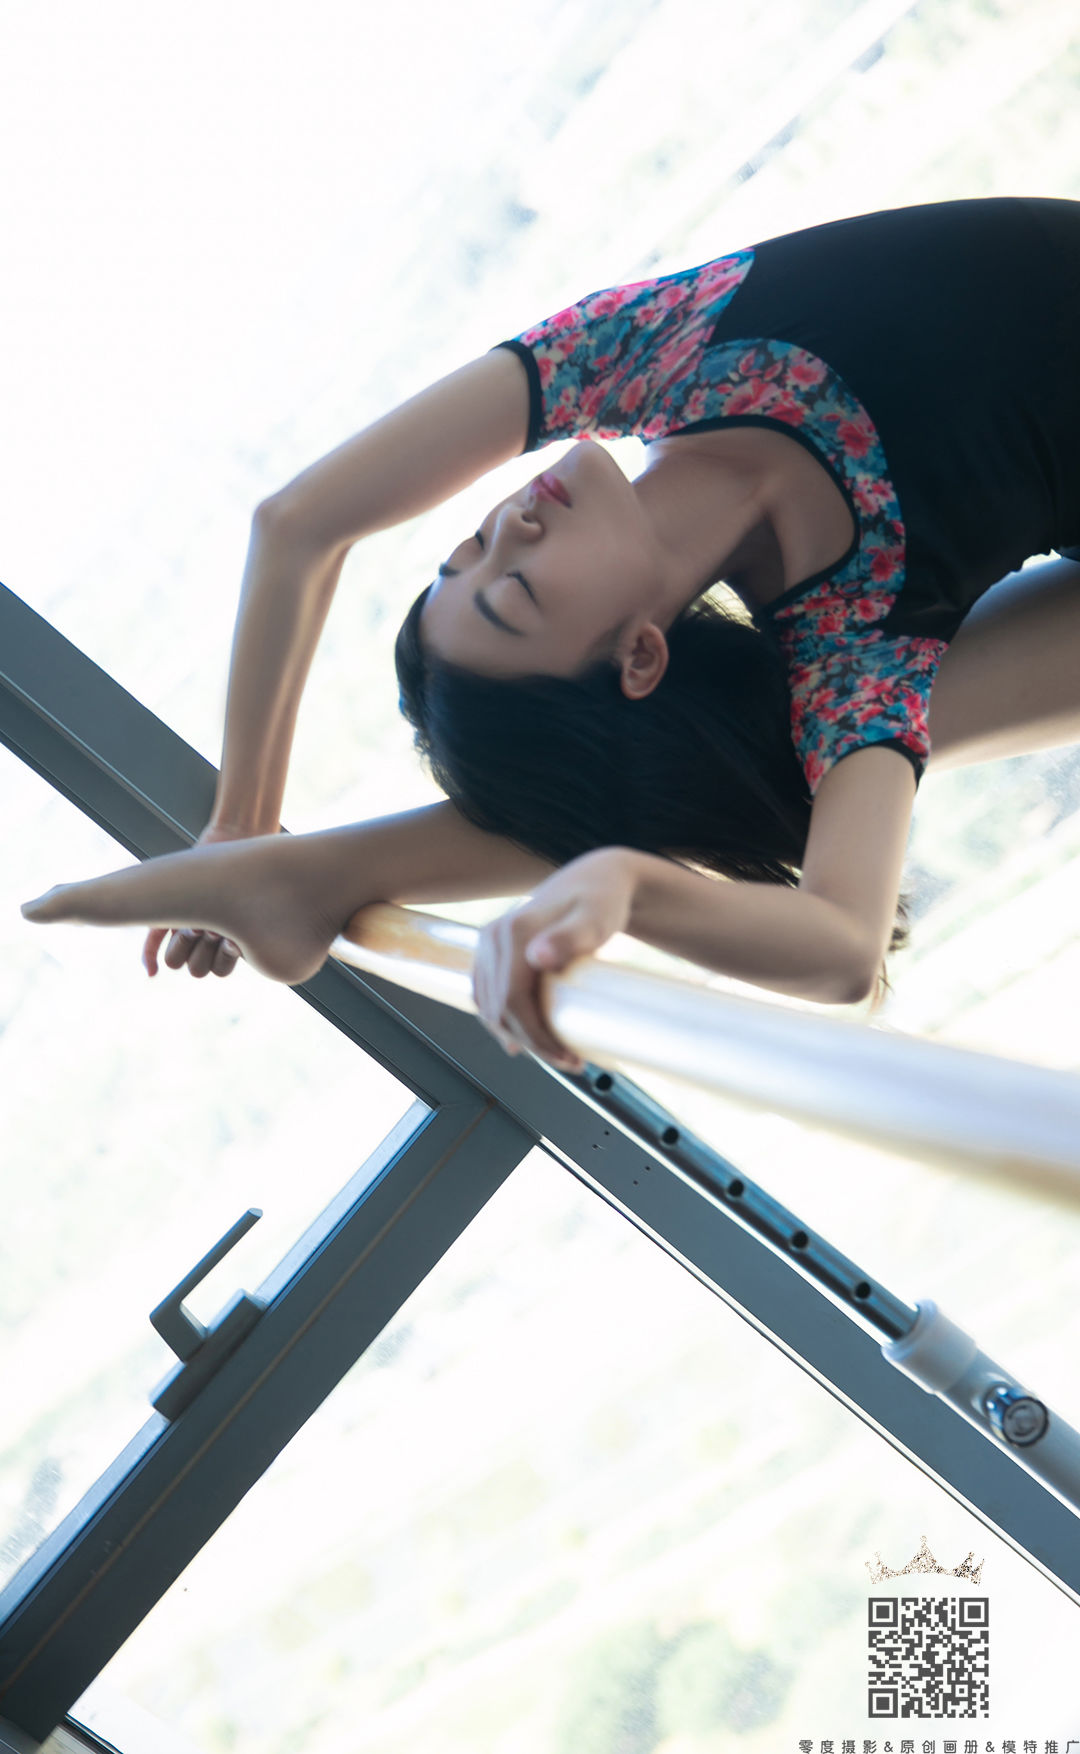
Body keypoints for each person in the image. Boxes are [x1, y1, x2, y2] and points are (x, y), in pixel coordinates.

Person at [21, 196, 1080, 1073]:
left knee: (760, 747)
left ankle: (306, 874)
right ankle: (314, 877)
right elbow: (842, 947)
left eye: (470, 548)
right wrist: (624, 882)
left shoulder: (648, 347)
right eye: (515, 591)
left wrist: (239, 820)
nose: (510, 526)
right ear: (641, 653)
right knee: (781, 742)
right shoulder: (857, 640)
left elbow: (297, 525)